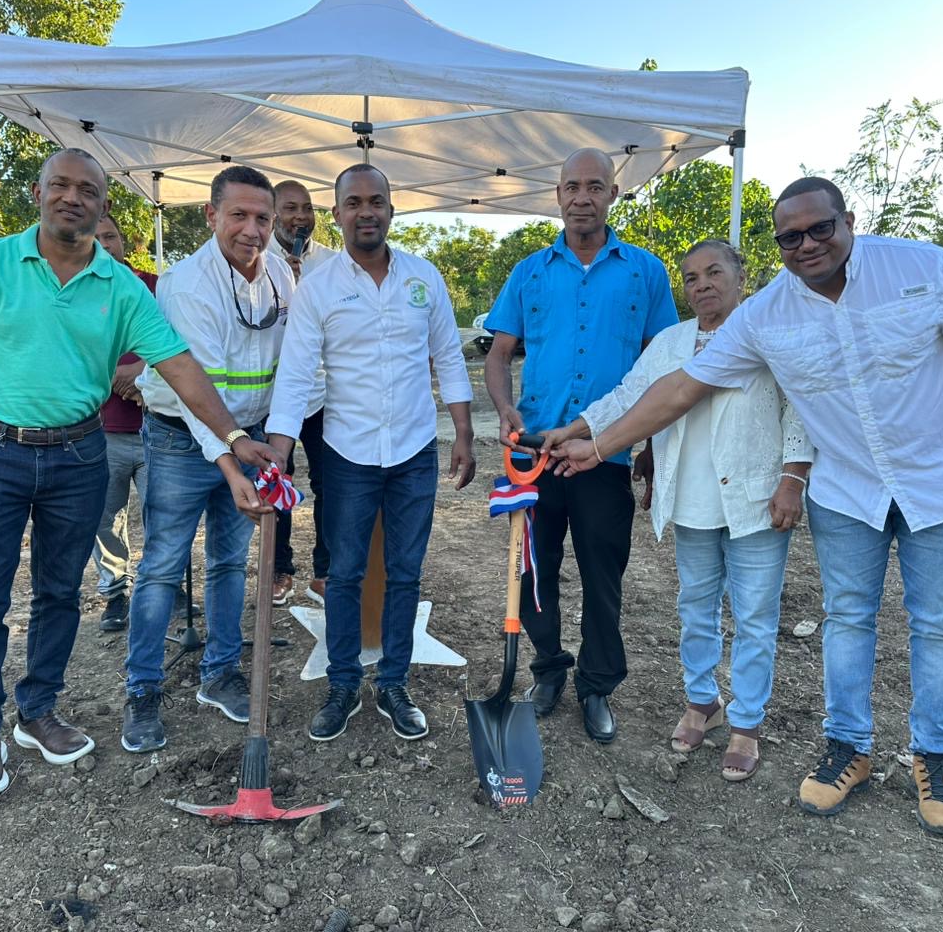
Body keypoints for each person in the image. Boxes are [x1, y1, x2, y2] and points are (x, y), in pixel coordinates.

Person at [551, 176, 943, 835]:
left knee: (938, 625)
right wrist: (599, 443)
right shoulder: (766, 316)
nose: (806, 245)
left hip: (940, 483)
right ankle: (847, 748)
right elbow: (676, 389)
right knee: (847, 620)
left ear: (848, 221)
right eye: (790, 237)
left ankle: (936, 757)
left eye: (819, 229)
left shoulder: (924, 268)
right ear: (776, 245)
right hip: (848, 491)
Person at [0, 148, 276, 802]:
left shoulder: (121, 285)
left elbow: (180, 368)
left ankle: (38, 711)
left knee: (60, 592)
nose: (72, 198)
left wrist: (233, 436)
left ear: (103, 204)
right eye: (61, 185)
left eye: (87, 190)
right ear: (38, 193)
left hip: (79, 455)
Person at [543, 239, 812, 780]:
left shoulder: (768, 332)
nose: (702, 284)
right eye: (691, 277)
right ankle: (702, 702)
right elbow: (628, 395)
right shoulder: (671, 342)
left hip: (756, 498)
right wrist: (573, 428)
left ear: (741, 276)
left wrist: (792, 479)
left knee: (755, 616)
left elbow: (799, 409)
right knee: (696, 608)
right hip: (690, 499)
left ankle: (747, 722)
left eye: (714, 272)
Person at [266, 163, 476, 743]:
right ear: (337, 213)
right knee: (344, 573)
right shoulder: (318, 288)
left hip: (414, 449)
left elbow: (448, 356)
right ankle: (342, 685)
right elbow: (296, 373)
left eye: (376, 201)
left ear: (390, 208)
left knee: (405, 572)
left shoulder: (424, 278)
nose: (366, 212)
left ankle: (393, 682)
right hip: (347, 452)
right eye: (354, 202)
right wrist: (279, 450)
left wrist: (463, 431)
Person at [483, 148, 678, 744]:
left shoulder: (645, 272)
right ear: (558, 195)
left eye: (595, 186)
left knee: (603, 575)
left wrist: (648, 444)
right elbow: (498, 355)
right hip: (536, 453)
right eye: (572, 186)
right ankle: (548, 670)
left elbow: (662, 365)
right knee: (533, 572)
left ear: (613, 194)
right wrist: (505, 407)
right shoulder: (530, 272)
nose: (582, 197)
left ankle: (597, 686)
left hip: (607, 452)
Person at [120, 166, 295, 754]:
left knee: (229, 562)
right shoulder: (186, 284)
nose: (252, 230)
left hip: (250, 439)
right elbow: (197, 391)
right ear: (210, 215)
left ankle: (219, 673)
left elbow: (293, 366)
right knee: (162, 566)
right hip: (181, 438)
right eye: (238, 215)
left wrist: (272, 446)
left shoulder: (279, 276)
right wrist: (229, 460)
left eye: (263, 218)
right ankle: (142, 689)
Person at [265, 179, 336, 606]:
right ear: (274, 213)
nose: (300, 217)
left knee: (330, 483)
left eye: (307, 208)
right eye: (290, 208)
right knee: (278, 481)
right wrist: (285, 283)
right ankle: (280, 569)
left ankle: (326, 571)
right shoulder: (256, 258)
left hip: (323, 392)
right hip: (274, 396)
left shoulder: (332, 262)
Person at [90, 213, 157, 633]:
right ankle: (116, 592)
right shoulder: (72, 293)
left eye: (110, 236)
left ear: (123, 241)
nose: (104, 245)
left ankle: (165, 586)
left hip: (158, 429)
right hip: (102, 432)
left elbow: (184, 339)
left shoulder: (154, 286)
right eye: (94, 238)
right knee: (106, 519)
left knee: (163, 515)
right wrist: (113, 376)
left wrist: (143, 372)